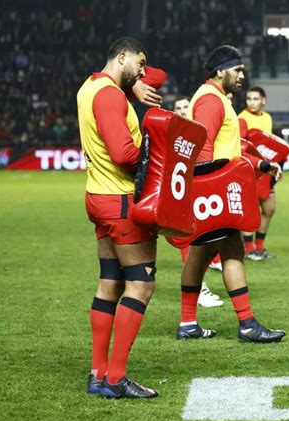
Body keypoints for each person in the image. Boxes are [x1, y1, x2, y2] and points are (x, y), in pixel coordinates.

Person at [177, 45, 285, 343]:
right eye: (237, 70)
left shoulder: (214, 98)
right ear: (221, 70)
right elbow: (203, 148)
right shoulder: (211, 100)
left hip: (212, 191)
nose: (242, 75)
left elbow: (230, 151)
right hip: (215, 191)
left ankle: (188, 323)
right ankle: (247, 323)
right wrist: (206, 194)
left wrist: (261, 164)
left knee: (198, 256)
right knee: (234, 251)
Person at [77, 37, 164, 399]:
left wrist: (138, 88)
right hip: (121, 200)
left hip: (98, 195)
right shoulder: (111, 95)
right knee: (141, 284)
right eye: (140, 64)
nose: (144, 72)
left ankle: (98, 373)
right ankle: (115, 376)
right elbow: (124, 153)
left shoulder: (90, 87)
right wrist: (158, 146)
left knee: (110, 282)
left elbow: (153, 76)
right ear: (122, 57)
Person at [172, 96, 223, 308]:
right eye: (179, 108)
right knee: (188, 239)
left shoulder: (196, 133)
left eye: (186, 107)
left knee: (199, 237)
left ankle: (200, 284)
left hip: (193, 189)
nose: (183, 110)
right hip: (178, 192)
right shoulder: (174, 133)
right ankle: (198, 291)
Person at [238, 86, 276, 260]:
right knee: (249, 211)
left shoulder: (267, 118)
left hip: (266, 170)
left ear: (263, 100)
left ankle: (259, 248)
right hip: (250, 171)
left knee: (269, 208)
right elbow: (241, 147)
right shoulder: (242, 119)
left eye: (255, 99)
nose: (251, 102)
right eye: (249, 99)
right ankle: (249, 250)